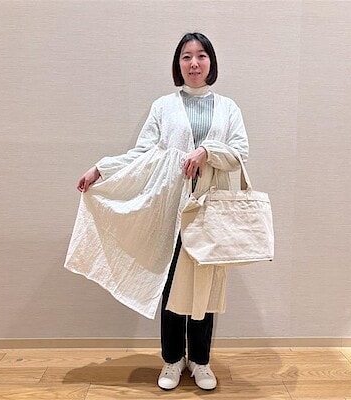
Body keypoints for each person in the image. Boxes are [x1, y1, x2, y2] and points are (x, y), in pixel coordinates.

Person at [71, 32, 249, 391]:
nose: (194, 63)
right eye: (187, 56)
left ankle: (200, 361)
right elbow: (143, 153)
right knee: (170, 284)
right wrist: (101, 169)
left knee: (203, 285)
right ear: (178, 64)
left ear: (211, 62)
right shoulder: (164, 106)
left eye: (201, 55)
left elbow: (239, 152)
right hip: (170, 208)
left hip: (209, 208)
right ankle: (172, 359)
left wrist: (207, 152)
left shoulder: (228, 108)